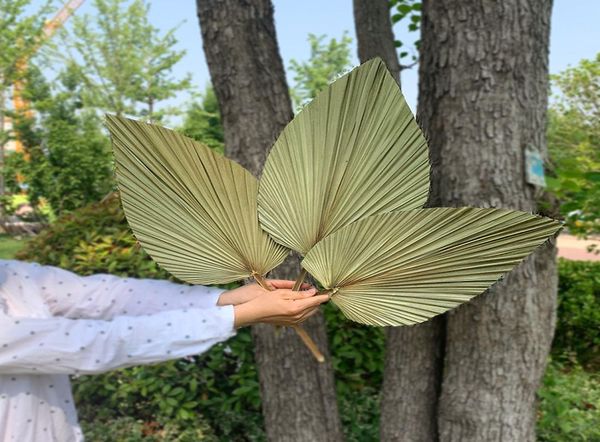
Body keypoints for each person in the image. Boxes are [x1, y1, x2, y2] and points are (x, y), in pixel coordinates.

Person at [0, 259, 327, 441]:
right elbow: (91, 343)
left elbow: (109, 296)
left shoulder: (11, 275)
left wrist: (222, 299)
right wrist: (235, 316)